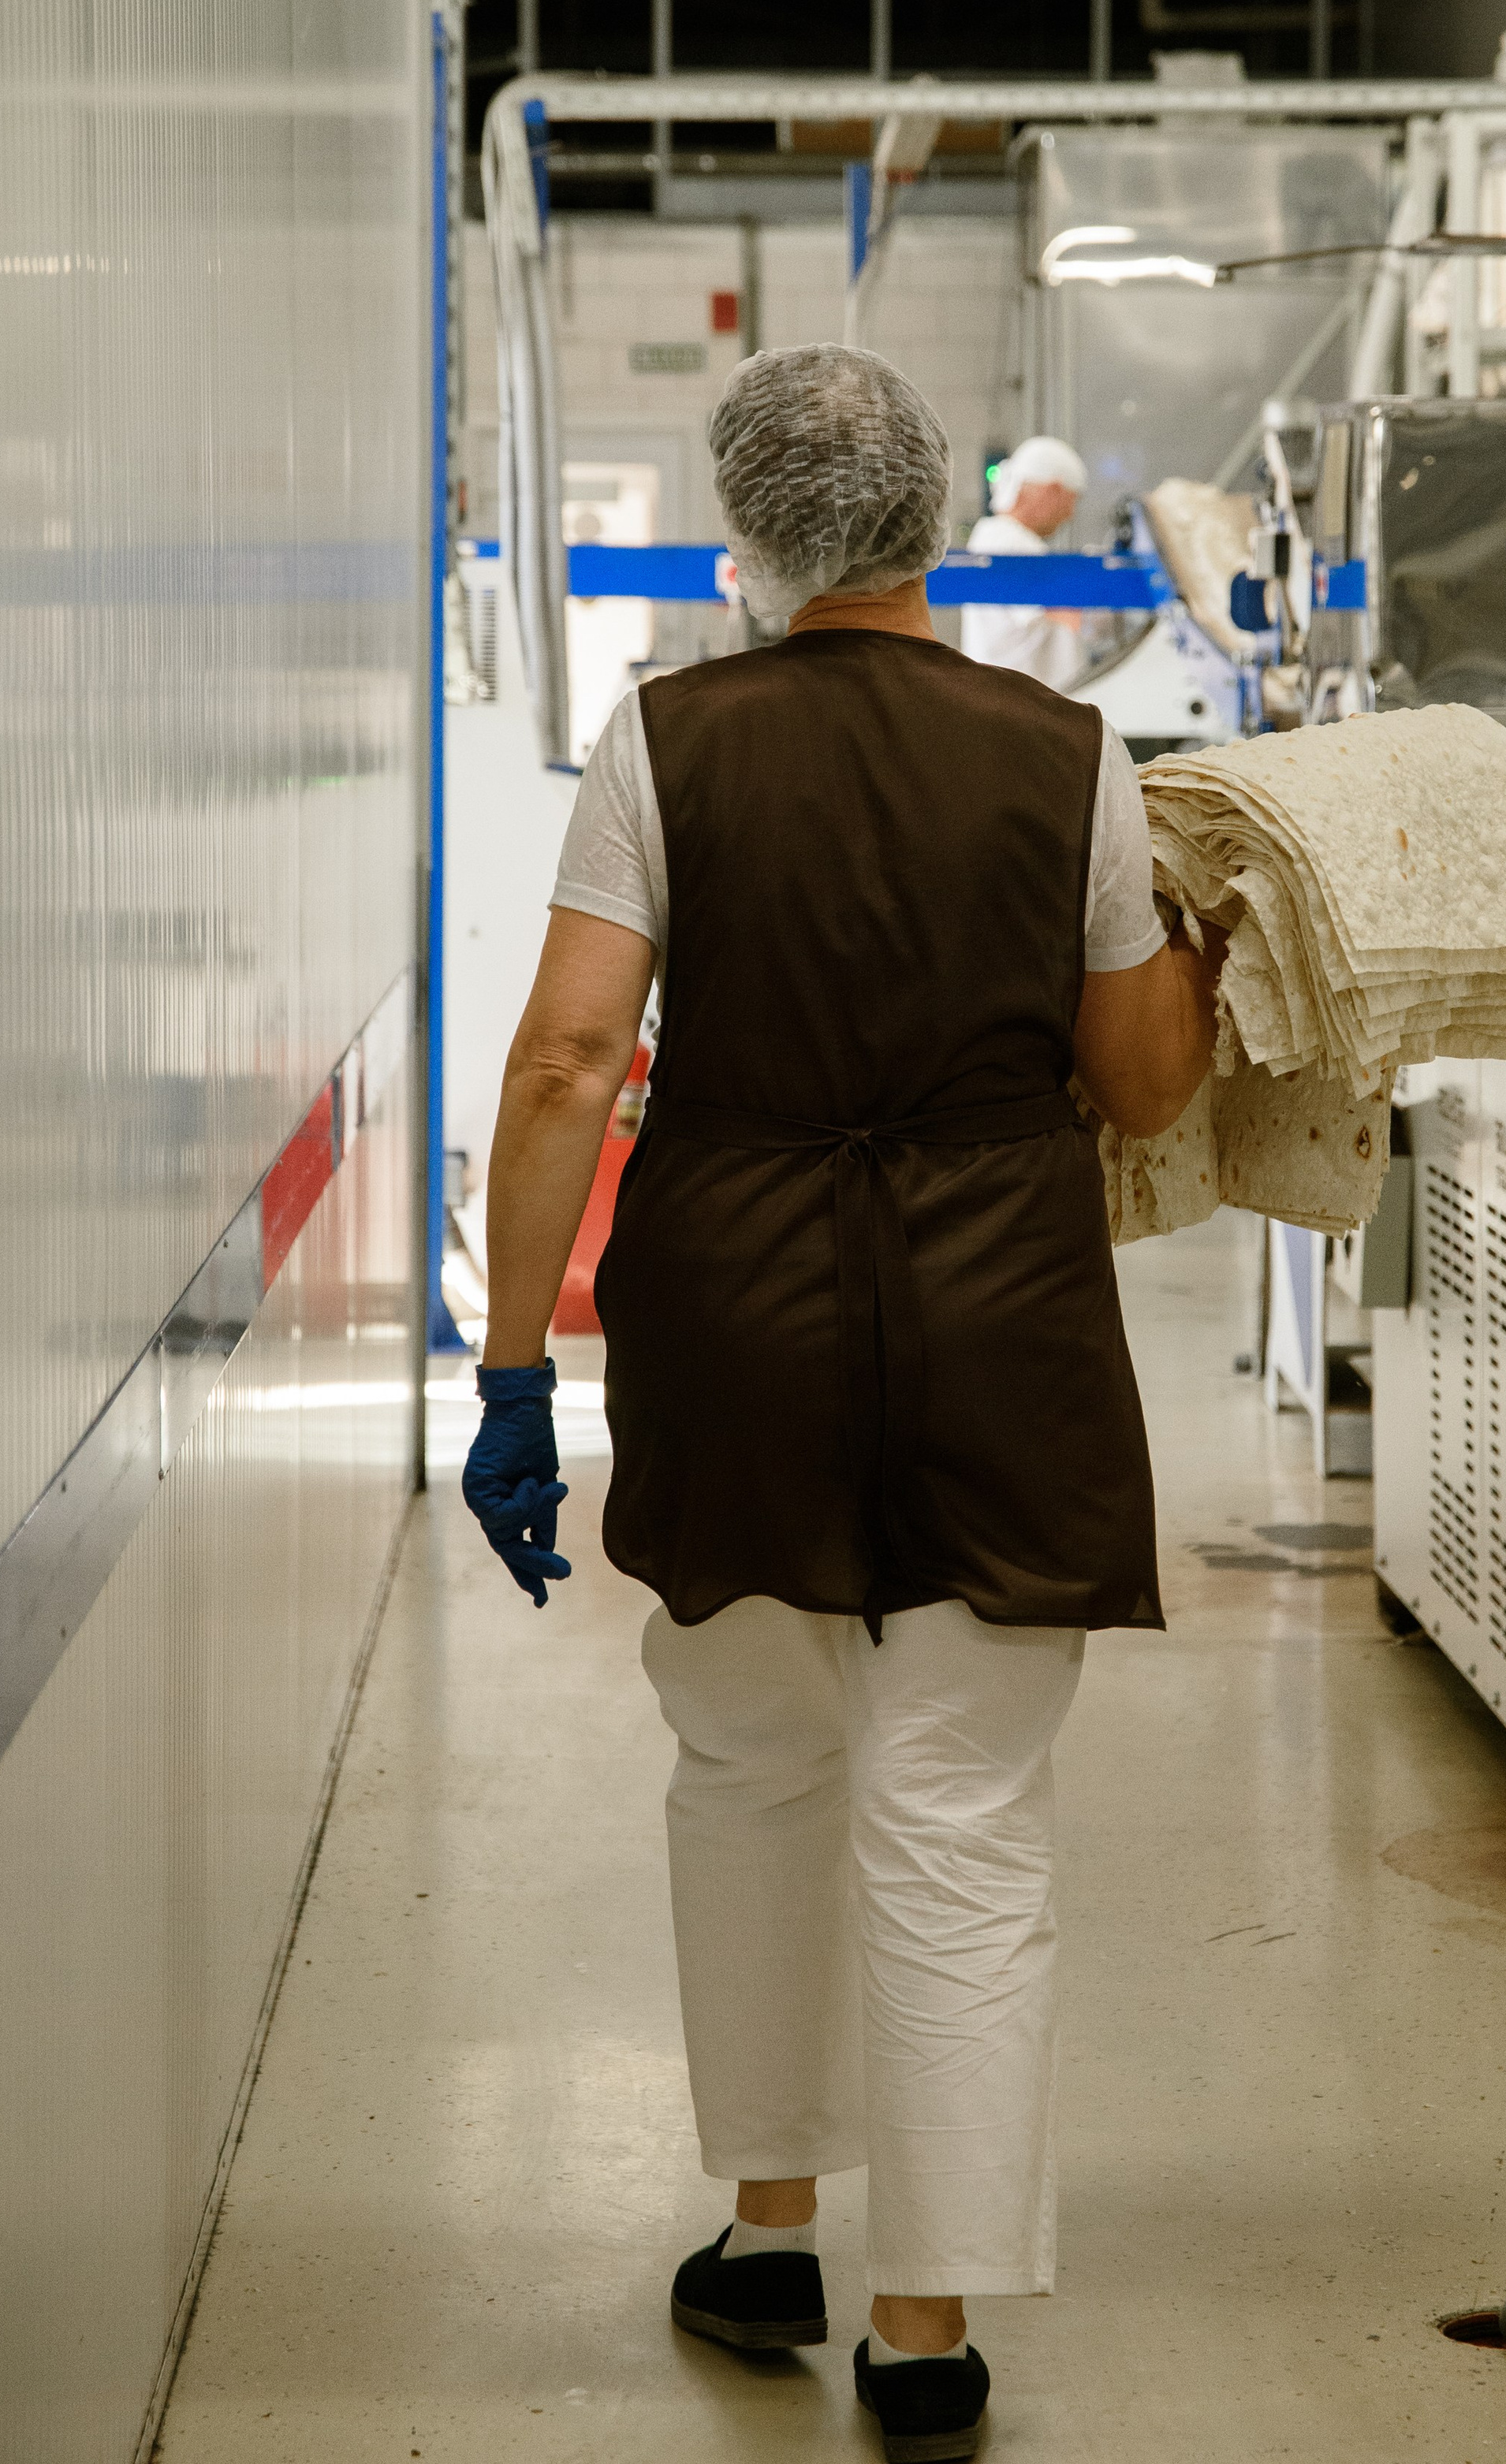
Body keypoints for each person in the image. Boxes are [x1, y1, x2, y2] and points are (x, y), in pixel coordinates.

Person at [461, 344, 1223, 2464]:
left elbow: (563, 1065)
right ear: (941, 521)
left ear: (753, 535)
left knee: (755, 1771)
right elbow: (1148, 1084)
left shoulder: (666, 739)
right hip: (1004, 1322)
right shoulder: (1070, 750)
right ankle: (925, 2333)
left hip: (741, 1318)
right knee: (963, 1818)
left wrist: (518, 1367)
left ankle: (769, 2225)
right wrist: (1197, 939)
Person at [960, 434, 1089, 690]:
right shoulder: (1007, 541)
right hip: (1018, 707)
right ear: (1052, 490)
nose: (1070, 515)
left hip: (1016, 702)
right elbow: (1068, 617)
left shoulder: (1000, 536)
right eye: (1070, 501)